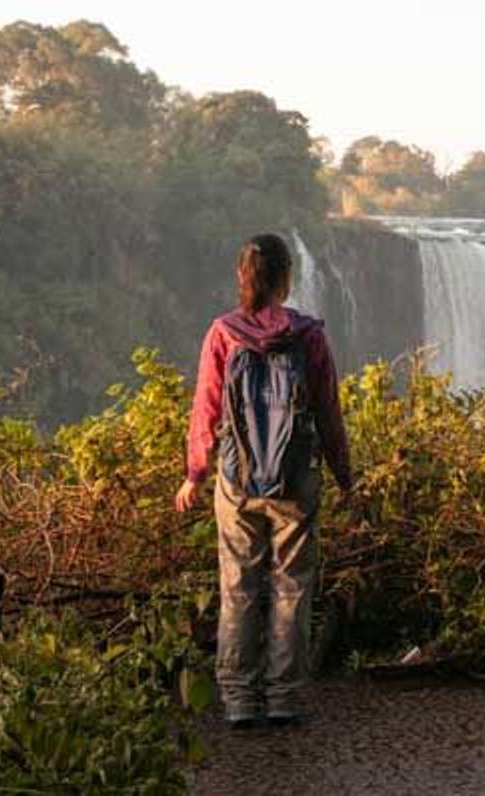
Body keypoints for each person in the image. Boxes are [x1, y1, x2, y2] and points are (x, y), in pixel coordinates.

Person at [174, 232, 352, 729]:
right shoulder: (308, 335)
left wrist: (195, 474)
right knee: (292, 587)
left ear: (243, 277)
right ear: (286, 279)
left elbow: (205, 409)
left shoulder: (223, 333)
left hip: (237, 479)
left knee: (239, 586)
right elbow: (329, 411)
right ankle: (283, 698)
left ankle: (238, 700)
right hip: (296, 480)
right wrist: (344, 475)